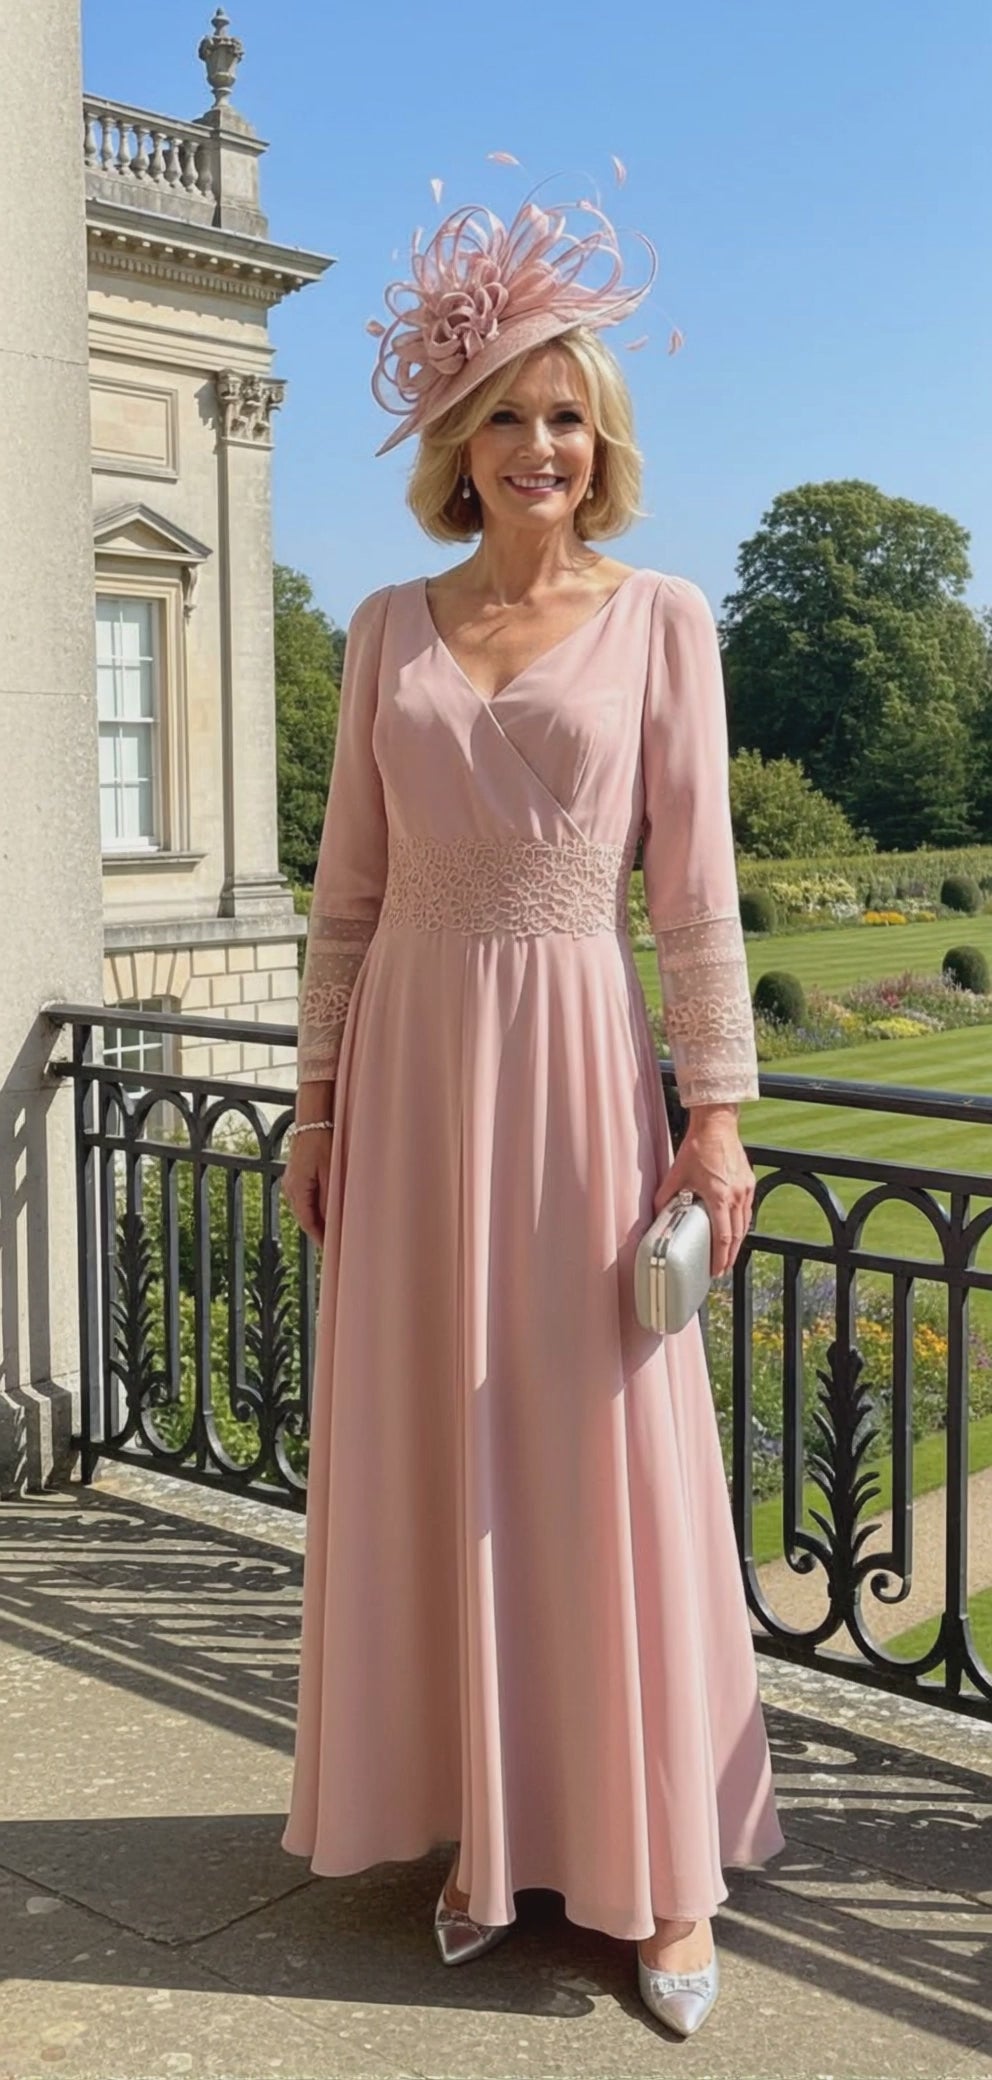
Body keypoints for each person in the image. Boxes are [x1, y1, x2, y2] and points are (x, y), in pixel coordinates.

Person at [279, 172, 785, 2039]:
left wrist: (715, 1117)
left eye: (570, 414)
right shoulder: (379, 627)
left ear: (604, 443)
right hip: (408, 1086)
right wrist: (318, 1107)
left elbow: (698, 896)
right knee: (433, 1440)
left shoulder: (663, 620)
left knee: (602, 1447)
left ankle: (658, 1879)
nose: (541, 444)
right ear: (456, 441)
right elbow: (344, 893)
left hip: (579, 1077)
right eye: (508, 410)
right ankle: (475, 1829)